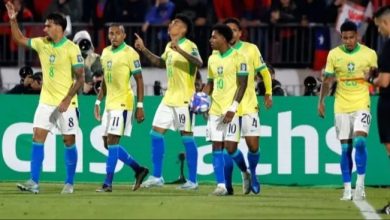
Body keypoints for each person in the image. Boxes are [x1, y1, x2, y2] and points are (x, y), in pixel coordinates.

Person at [6, 1, 85, 194]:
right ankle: (33, 181)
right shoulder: (42, 43)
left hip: (67, 103)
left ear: (59, 27)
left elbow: (81, 78)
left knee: (69, 141)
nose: (45, 28)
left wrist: (67, 99)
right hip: (46, 101)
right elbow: (19, 39)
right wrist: (13, 20)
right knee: (37, 137)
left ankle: (69, 183)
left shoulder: (72, 48)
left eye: (48, 25)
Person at [134, 14, 203, 190]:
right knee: (155, 133)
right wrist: (143, 49)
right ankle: (157, 177)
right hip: (169, 97)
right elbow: (160, 63)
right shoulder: (168, 46)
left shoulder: (189, 45)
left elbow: (199, 62)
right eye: (172, 22)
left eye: (176, 23)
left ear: (184, 29)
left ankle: (193, 181)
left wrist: (180, 50)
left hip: (185, 99)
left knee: (186, 137)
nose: (171, 24)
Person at [318, 20, 377, 201]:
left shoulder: (369, 54)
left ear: (357, 36)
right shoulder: (334, 54)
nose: (348, 41)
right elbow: (327, 80)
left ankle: (360, 185)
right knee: (345, 148)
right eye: (345, 38)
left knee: (359, 142)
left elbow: (376, 74)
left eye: (351, 37)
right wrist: (321, 101)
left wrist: (372, 76)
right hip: (341, 104)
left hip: (361, 103)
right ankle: (347, 189)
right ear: (341, 37)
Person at [94, 24, 149, 192]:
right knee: (106, 143)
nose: (114, 36)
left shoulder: (130, 53)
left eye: (118, 33)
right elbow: (105, 80)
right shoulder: (105, 52)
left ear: (124, 35)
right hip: (109, 103)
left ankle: (107, 183)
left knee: (112, 141)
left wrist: (140, 106)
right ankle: (138, 169)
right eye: (111, 33)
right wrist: (98, 102)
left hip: (124, 103)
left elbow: (139, 79)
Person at [223, 17, 272, 195]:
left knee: (253, 146)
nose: (231, 33)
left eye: (234, 30)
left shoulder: (251, 49)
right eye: (228, 30)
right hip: (229, 108)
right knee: (230, 148)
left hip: (249, 106)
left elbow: (264, 72)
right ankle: (245, 172)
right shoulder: (218, 53)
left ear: (240, 33)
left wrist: (268, 93)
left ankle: (254, 173)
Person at [203, 23, 248, 196]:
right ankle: (221, 185)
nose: (211, 40)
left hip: (232, 110)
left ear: (223, 38)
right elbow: (210, 84)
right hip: (215, 109)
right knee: (216, 145)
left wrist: (233, 108)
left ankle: (244, 172)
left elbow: (242, 84)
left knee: (230, 148)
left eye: (214, 37)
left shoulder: (239, 57)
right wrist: (202, 99)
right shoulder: (212, 58)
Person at [366, 7, 390, 211]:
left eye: (379, 26)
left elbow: (384, 81)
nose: (379, 31)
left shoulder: (389, 46)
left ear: (386, 23)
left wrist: (370, 78)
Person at [72, 30, 103, 95]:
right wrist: (82, 86)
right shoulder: (68, 58)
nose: (84, 45)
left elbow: (98, 76)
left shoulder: (95, 58)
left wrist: (96, 79)